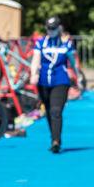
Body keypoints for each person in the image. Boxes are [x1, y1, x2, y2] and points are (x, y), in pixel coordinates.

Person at [30, 16, 78, 153]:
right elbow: (35, 60)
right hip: (43, 81)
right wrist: (33, 74)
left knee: (56, 111)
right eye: (49, 28)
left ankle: (56, 141)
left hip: (61, 81)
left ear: (59, 28)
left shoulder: (66, 44)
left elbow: (73, 63)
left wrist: (78, 78)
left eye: (54, 28)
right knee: (49, 111)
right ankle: (54, 136)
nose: (51, 31)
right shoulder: (41, 43)